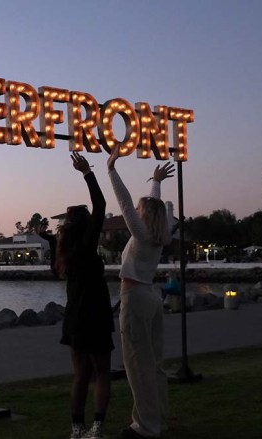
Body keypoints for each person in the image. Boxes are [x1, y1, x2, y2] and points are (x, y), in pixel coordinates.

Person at [38, 152, 114, 439]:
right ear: (88, 225)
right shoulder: (86, 246)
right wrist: (87, 172)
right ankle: (96, 429)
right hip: (95, 315)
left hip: (74, 319)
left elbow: (55, 243)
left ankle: (76, 428)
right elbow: (101, 204)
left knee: (81, 375)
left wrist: (47, 237)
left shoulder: (64, 254)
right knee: (102, 373)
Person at [106, 146, 174, 438]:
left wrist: (111, 167)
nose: (136, 210)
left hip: (135, 299)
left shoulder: (142, 233)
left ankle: (145, 427)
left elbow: (122, 201)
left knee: (137, 364)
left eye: (139, 209)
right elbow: (154, 206)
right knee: (154, 364)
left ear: (144, 216)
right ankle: (158, 420)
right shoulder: (158, 234)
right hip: (152, 297)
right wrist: (155, 180)